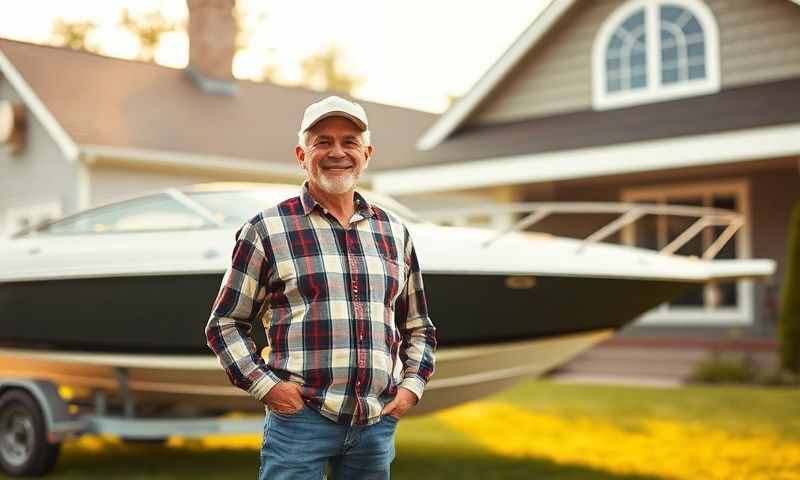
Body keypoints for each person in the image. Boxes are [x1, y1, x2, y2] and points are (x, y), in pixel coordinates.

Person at [205, 95, 437, 479]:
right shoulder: (266, 229)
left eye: (349, 142)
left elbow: (418, 326)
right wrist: (269, 388)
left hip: (375, 425)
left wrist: (411, 387)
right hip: (300, 422)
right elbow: (224, 323)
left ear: (367, 153)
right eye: (323, 142)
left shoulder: (394, 232)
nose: (337, 152)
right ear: (301, 154)